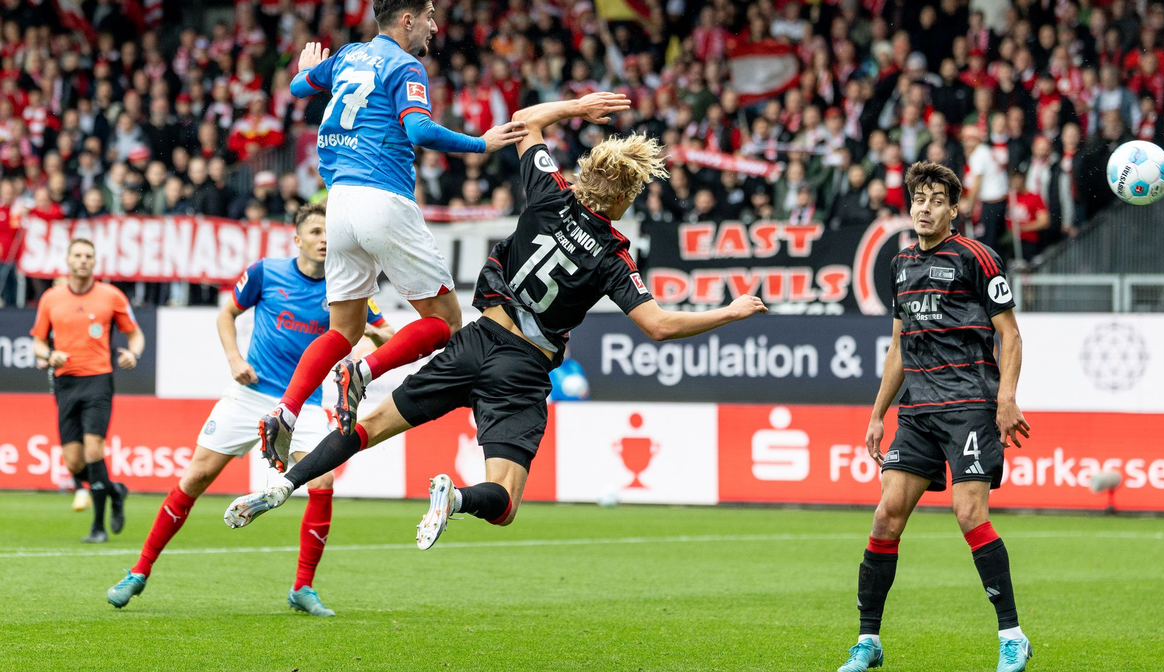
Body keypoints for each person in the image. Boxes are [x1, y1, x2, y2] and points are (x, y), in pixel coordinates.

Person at [223, 92, 767, 551]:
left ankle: (283, 485)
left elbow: (525, 121)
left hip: (477, 338)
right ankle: (456, 497)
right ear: (624, 196)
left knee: (368, 428)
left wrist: (577, 106)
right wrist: (732, 311)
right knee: (504, 501)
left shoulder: (550, 194)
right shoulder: (613, 255)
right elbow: (660, 326)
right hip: (522, 370)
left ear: (585, 174)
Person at [259, 0, 529, 472]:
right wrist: (481, 143)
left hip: (338, 202)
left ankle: (286, 410)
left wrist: (304, 70)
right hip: (382, 198)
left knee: (344, 329)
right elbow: (418, 129)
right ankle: (362, 371)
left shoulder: (348, 55)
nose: (434, 26)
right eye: (428, 16)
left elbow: (301, 87)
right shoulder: (405, 66)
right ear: (407, 20)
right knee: (446, 322)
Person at [106, 203, 394, 614]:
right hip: (251, 395)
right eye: (315, 232)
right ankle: (139, 571)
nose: (324, 239)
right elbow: (227, 314)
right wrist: (234, 359)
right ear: (297, 239)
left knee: (324, 480)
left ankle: (303, 588)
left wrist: (368, 338)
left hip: (305, 403)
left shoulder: (348, 287)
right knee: (196, 476)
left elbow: (388, 335)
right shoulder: (265, 272)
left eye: (328, 232)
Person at [836, 162, 1032, 672]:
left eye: (936, 200)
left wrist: (1006, 398)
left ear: (953, 210)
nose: (925, 208)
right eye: (919, 199)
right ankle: (868, 641)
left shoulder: (977, 257)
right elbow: (898, 347)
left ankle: (1012, 637)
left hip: (969, 405)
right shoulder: (901, 264)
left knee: (969, 513)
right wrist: (877, 414)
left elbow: (1010, 334)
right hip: (918, 411)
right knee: (886, 516)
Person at [30, 239, 145, 543]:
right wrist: (48, 355)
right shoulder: (51, 299)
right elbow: (38, 342)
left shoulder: (111, 296)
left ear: (94, 262)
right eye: (78, 255)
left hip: (98, 380)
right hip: (65, 382)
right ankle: (114, 490)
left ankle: (98, 527)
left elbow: (135, 335)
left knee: (94, 449)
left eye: (88, 256)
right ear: (68, 261)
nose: (83, 260)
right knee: (74, 462)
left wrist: (134, 354)